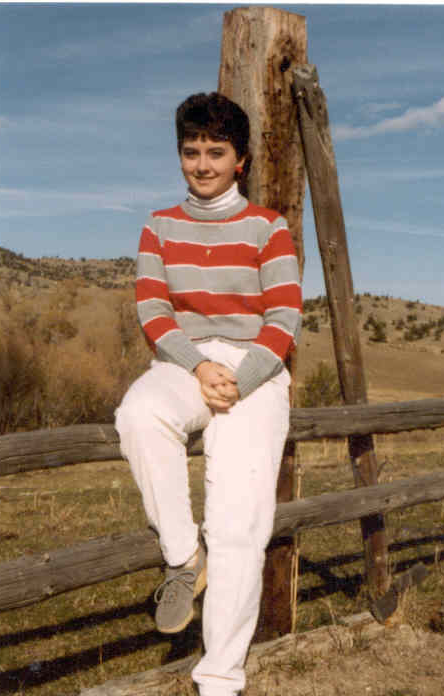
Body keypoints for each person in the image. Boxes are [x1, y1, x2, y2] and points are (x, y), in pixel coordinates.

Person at [115, 92, 302, 696]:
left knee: (238, 524)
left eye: (215, 152)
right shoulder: (159, 226)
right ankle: (182, 558)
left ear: (239, 159)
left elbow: (284, 317)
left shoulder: (269, 228)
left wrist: (242, 379)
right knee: (140, 414)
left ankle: (220, 678)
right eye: (191, 151)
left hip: (255, 369)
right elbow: (153, 309)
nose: (202, 164)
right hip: (184, 361)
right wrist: (198, 367)